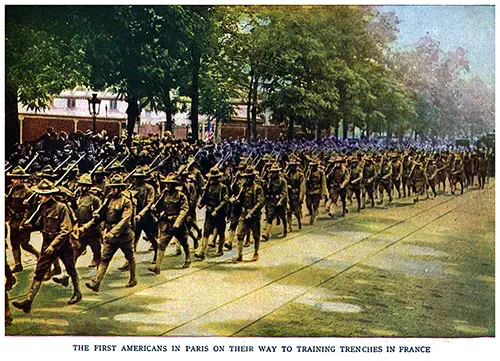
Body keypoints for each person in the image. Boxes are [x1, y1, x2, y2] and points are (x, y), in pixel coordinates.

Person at [13, 179, 82, 313]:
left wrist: (53, 244)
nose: (40, 197)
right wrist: (29, 227)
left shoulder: (61, 207)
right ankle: (28, 301)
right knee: (39, 271)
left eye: (42, 194)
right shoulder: (43, 207)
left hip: (62, 245)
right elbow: (40, 225)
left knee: (71, 269)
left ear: (49, 195)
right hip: (47, 243)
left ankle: (77, 293)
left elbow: (65, 230)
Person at [85, 174, 137, 292]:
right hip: (110, 236)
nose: (112, 190)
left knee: (130, 257)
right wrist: (94, 219)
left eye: (115, 188)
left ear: (120, 188)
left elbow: (125, 220)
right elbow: (102, 215)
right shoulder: (109, 200)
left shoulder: (126, 201)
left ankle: (133, 279)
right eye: (112, 187)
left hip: (124, 236)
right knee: (104, 259)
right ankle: (96, 282)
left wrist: (113, 233)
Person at [148, 173, 190, 274]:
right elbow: (160, 205)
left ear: (174, 185)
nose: (167, 186)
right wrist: (154, 208)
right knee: (161, 244)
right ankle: (157, 267)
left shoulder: (181, 195)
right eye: (167, 184)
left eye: (170, 184)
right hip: (166, 223)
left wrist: (178, 222)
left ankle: (188, 258)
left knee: (184, 242)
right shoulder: (164, 194)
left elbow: (184, 209)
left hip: (177, 224)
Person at [6, 166, 40, 272]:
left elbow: (30, 210)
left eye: (15, 178)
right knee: (14, 243)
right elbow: (9, 202)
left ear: (20, 179)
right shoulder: (12, 189)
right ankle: (18, 264)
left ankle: (39, 256)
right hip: (13, 221)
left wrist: (24, 222)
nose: (13, 180)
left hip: (22, 221)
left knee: (24, 244)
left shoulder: (27, 192)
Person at [231, 166, 265, 262]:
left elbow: (260, 202)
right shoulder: (243, 188)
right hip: (244, 214)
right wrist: (236, 201)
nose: (247, 179)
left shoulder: (258, 188)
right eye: (246, 177)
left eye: (249, 177)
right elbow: (239, 198)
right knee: (240, 234)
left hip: (254, 215)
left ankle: (256, 253)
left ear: (253, 177)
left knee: (256, 235)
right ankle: (239, 255)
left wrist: (252, 212)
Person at [195, 167, 229, 259]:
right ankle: (202, 251)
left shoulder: (223, 187)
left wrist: (216, 210)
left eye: (213, 178)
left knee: (221, 232)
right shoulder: (208, 187)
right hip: (209, 213)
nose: (211, 180)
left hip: (219, 213)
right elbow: (205, 198)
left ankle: (220, 249)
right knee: (206, 232)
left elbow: (224, 201)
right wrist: (200, 204)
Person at [261, 163, 288, 241]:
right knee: (269, 217)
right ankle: (266, 233)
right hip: (271, 201)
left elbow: (284, 193)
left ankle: (285, 229)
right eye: (272, 172)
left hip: (279, 202)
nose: (272, 173)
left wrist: (281, 201)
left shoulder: (282, 181)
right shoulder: (269, 181)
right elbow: (267, 191)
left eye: (274, 172)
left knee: (283, 217)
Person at [285, 160, 305, 232]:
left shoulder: (300, 175)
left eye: (293, 166)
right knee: (288, 211)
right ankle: (289, 226)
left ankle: (299, 220)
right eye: (290, 166)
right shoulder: (287, 175)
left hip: (296, 196)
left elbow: (302, 186)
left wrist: (301, 196)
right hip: (289, 195)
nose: (291, 168)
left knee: (297, 212)